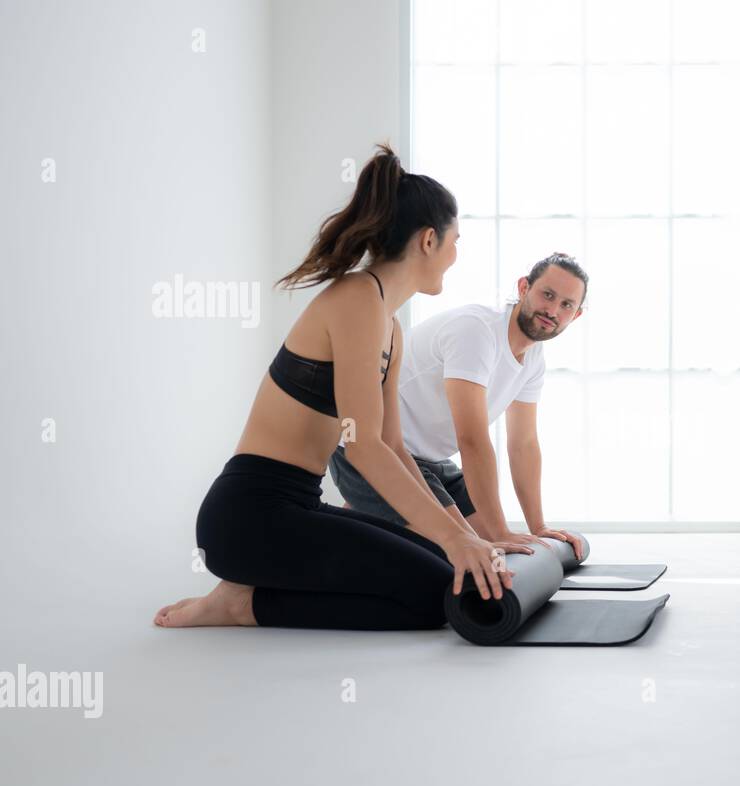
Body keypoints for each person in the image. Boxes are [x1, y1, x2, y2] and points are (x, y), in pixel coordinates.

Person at [154, 145, 521, 630]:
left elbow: (392, 445)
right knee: (435, 595)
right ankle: (243, 605)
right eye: (456, 240)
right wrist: (457, 541)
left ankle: (252, 589)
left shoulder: (390, 325)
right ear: (429, 240)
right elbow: (362, 446)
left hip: (300, 507)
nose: (456, 254)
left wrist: (460, 535)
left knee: (447, 565)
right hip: (248, 517)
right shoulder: (356, 300)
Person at [328, 253, 587, 561]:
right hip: (376, 454)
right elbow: (472, 439)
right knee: (464, 553)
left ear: (576, 316)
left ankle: (363, 514)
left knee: (505, 549)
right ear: (523, 288)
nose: (553, 310)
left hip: (430, 463)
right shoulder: (476, 330)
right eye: (547, 295)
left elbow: (524, 444)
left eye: (566, 305)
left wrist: (538, 525)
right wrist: (500, 532)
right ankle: (354, 518)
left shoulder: (533, 358)